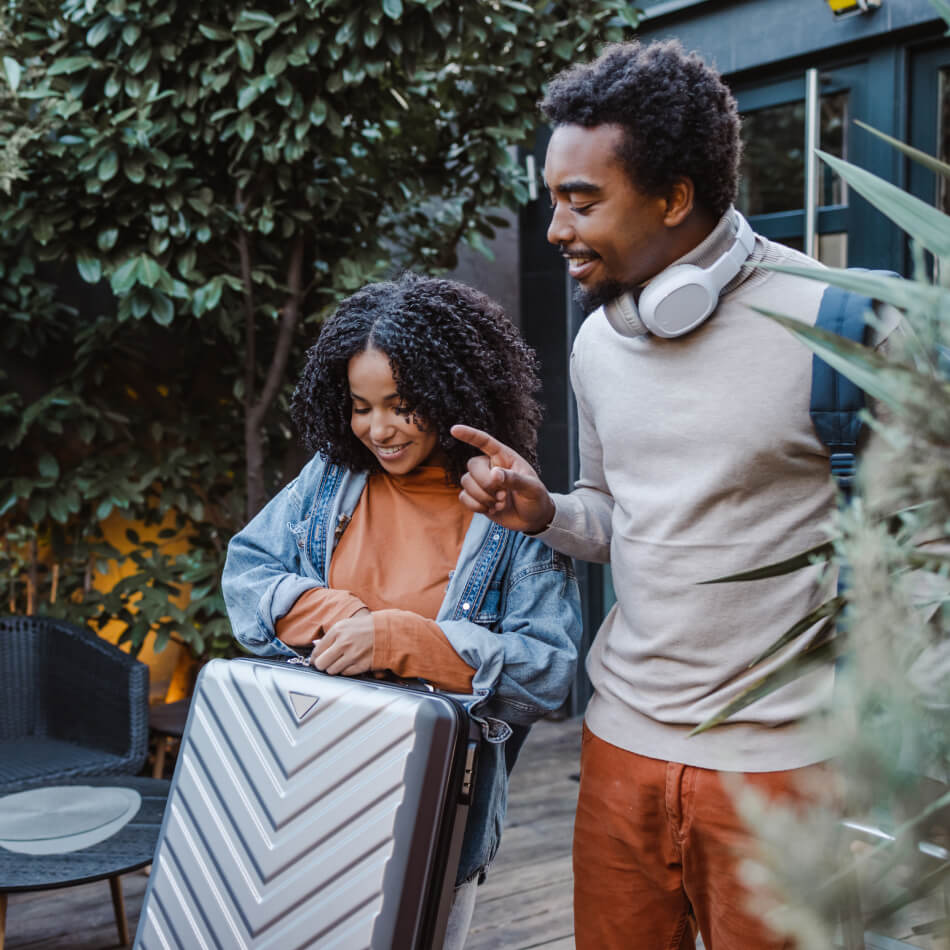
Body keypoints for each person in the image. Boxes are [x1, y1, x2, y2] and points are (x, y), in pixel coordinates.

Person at [451, 39, 900, 950]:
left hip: (785, 770)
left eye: (583, 200)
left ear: (676, 196)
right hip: (619, 751)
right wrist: (546, 513)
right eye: (552, 200)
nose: (555, 230)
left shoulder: (843, 326)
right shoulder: (598, 344)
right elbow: (616, 518)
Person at [222, 273, 581, 949]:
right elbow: (247, 574)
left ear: (455, 393)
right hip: (310, 790)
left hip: (437, 814)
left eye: (401, 404)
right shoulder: (331, 478)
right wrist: (333, 617)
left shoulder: (509, 510)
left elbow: (550, 671)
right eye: (360, 407)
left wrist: (400, 641)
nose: (377, 430)